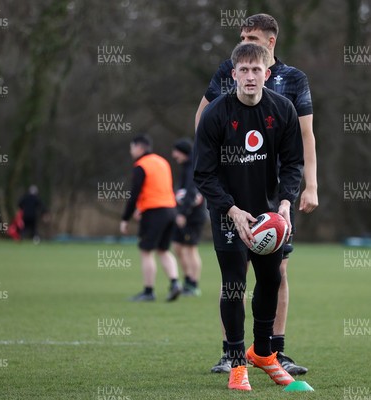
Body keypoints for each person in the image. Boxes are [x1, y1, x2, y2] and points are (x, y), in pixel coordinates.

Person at [195, 12, 317, 375]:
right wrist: (228, 207)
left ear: (268, 70)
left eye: (256, 69)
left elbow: (296, 156)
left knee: (273, 276)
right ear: (233, 74)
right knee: (233, 282)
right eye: (243, 69)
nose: (250, 74)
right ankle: (233, 358)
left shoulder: (286, 102)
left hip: (269, 206)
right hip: (230, 209)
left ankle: (267, 353)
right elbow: (204, 167)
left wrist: (287, 201)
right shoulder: (218, 108)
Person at [120, 135, 181, 302]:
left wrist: (125, 218)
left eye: (132, 147)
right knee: (163, 250)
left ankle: (148, 291)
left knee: (146, 251)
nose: (131, 151)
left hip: (154, 212)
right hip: (170, 210)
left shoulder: (141, 165)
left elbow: (134, 194)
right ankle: (175, 283)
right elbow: (158, 188)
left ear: (139, 148)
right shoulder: (162, 162)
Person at [171, 138, 206, 297]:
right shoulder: (185, 167)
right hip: (184, 214)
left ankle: (193, 285)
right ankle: (187, 280)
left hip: (193, 216)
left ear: (183, 152)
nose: (173, 155)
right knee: (178, 247)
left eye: (176, 151)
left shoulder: (193, 166)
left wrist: (183, 213)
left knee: (191, 249)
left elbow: (192, 193)